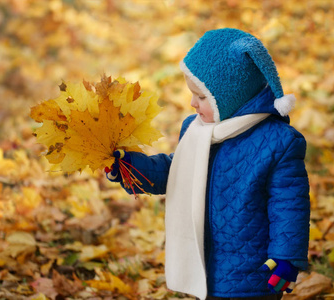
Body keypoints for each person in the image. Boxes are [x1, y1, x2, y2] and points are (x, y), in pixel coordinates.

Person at [106, 28, 310, 300]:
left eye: (202, 97)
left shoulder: (278, 142)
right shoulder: (197, 129)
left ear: (230, 96)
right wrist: (131, 167)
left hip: (251, 271)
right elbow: (175, 171)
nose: (192, 103)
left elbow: (289, 205)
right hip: (203, 261)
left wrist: (286, 257)